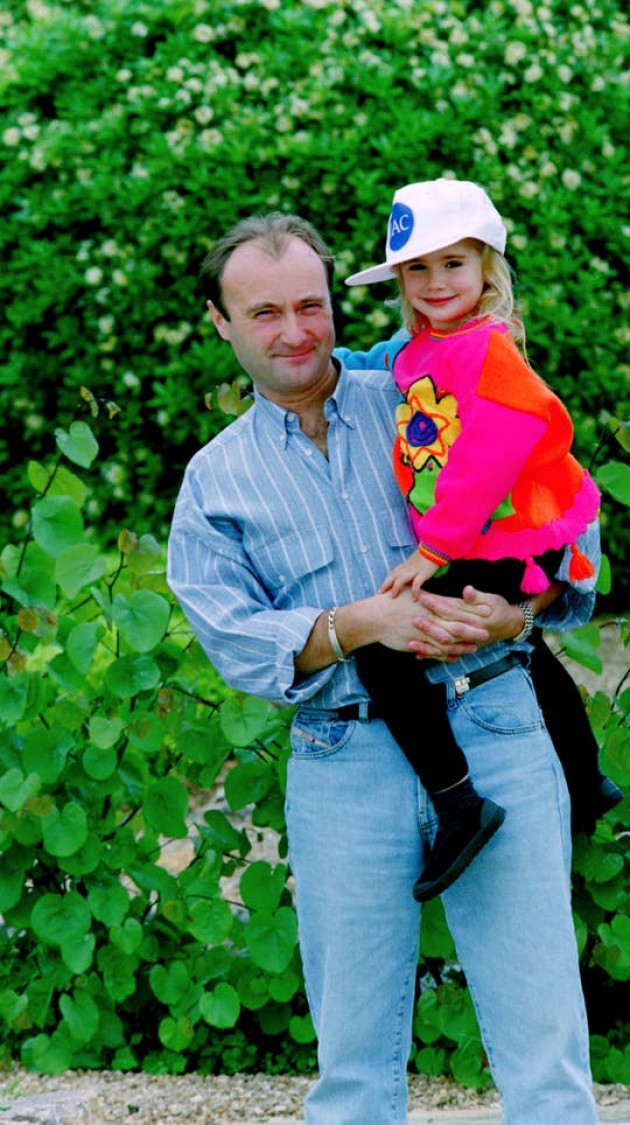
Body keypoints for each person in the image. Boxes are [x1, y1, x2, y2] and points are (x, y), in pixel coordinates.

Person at [167, 211, 600, 1123]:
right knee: (356, 1071)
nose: (295, 333)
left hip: (495, 724)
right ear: (220, 321)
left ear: (335, 301)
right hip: (344, 759)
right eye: (264, 314)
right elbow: (236, 637)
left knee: (545, 1055)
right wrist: (360, 623)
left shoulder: (420, 389)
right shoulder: (216, 481)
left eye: (311, 306)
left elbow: (560, 497)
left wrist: (518, 607)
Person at [337, 177, 621, 901]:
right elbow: (379, 369)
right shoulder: (431, 346)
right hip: (498, 536)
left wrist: (433, 549)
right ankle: (585, 778)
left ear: (487, 270)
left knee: (380, 647)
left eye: (453, 264)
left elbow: (491, 449)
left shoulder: (487, 349)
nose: (435, 282)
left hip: (501, 532)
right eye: (417, 268)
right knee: (525, 643)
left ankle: (459, 803)